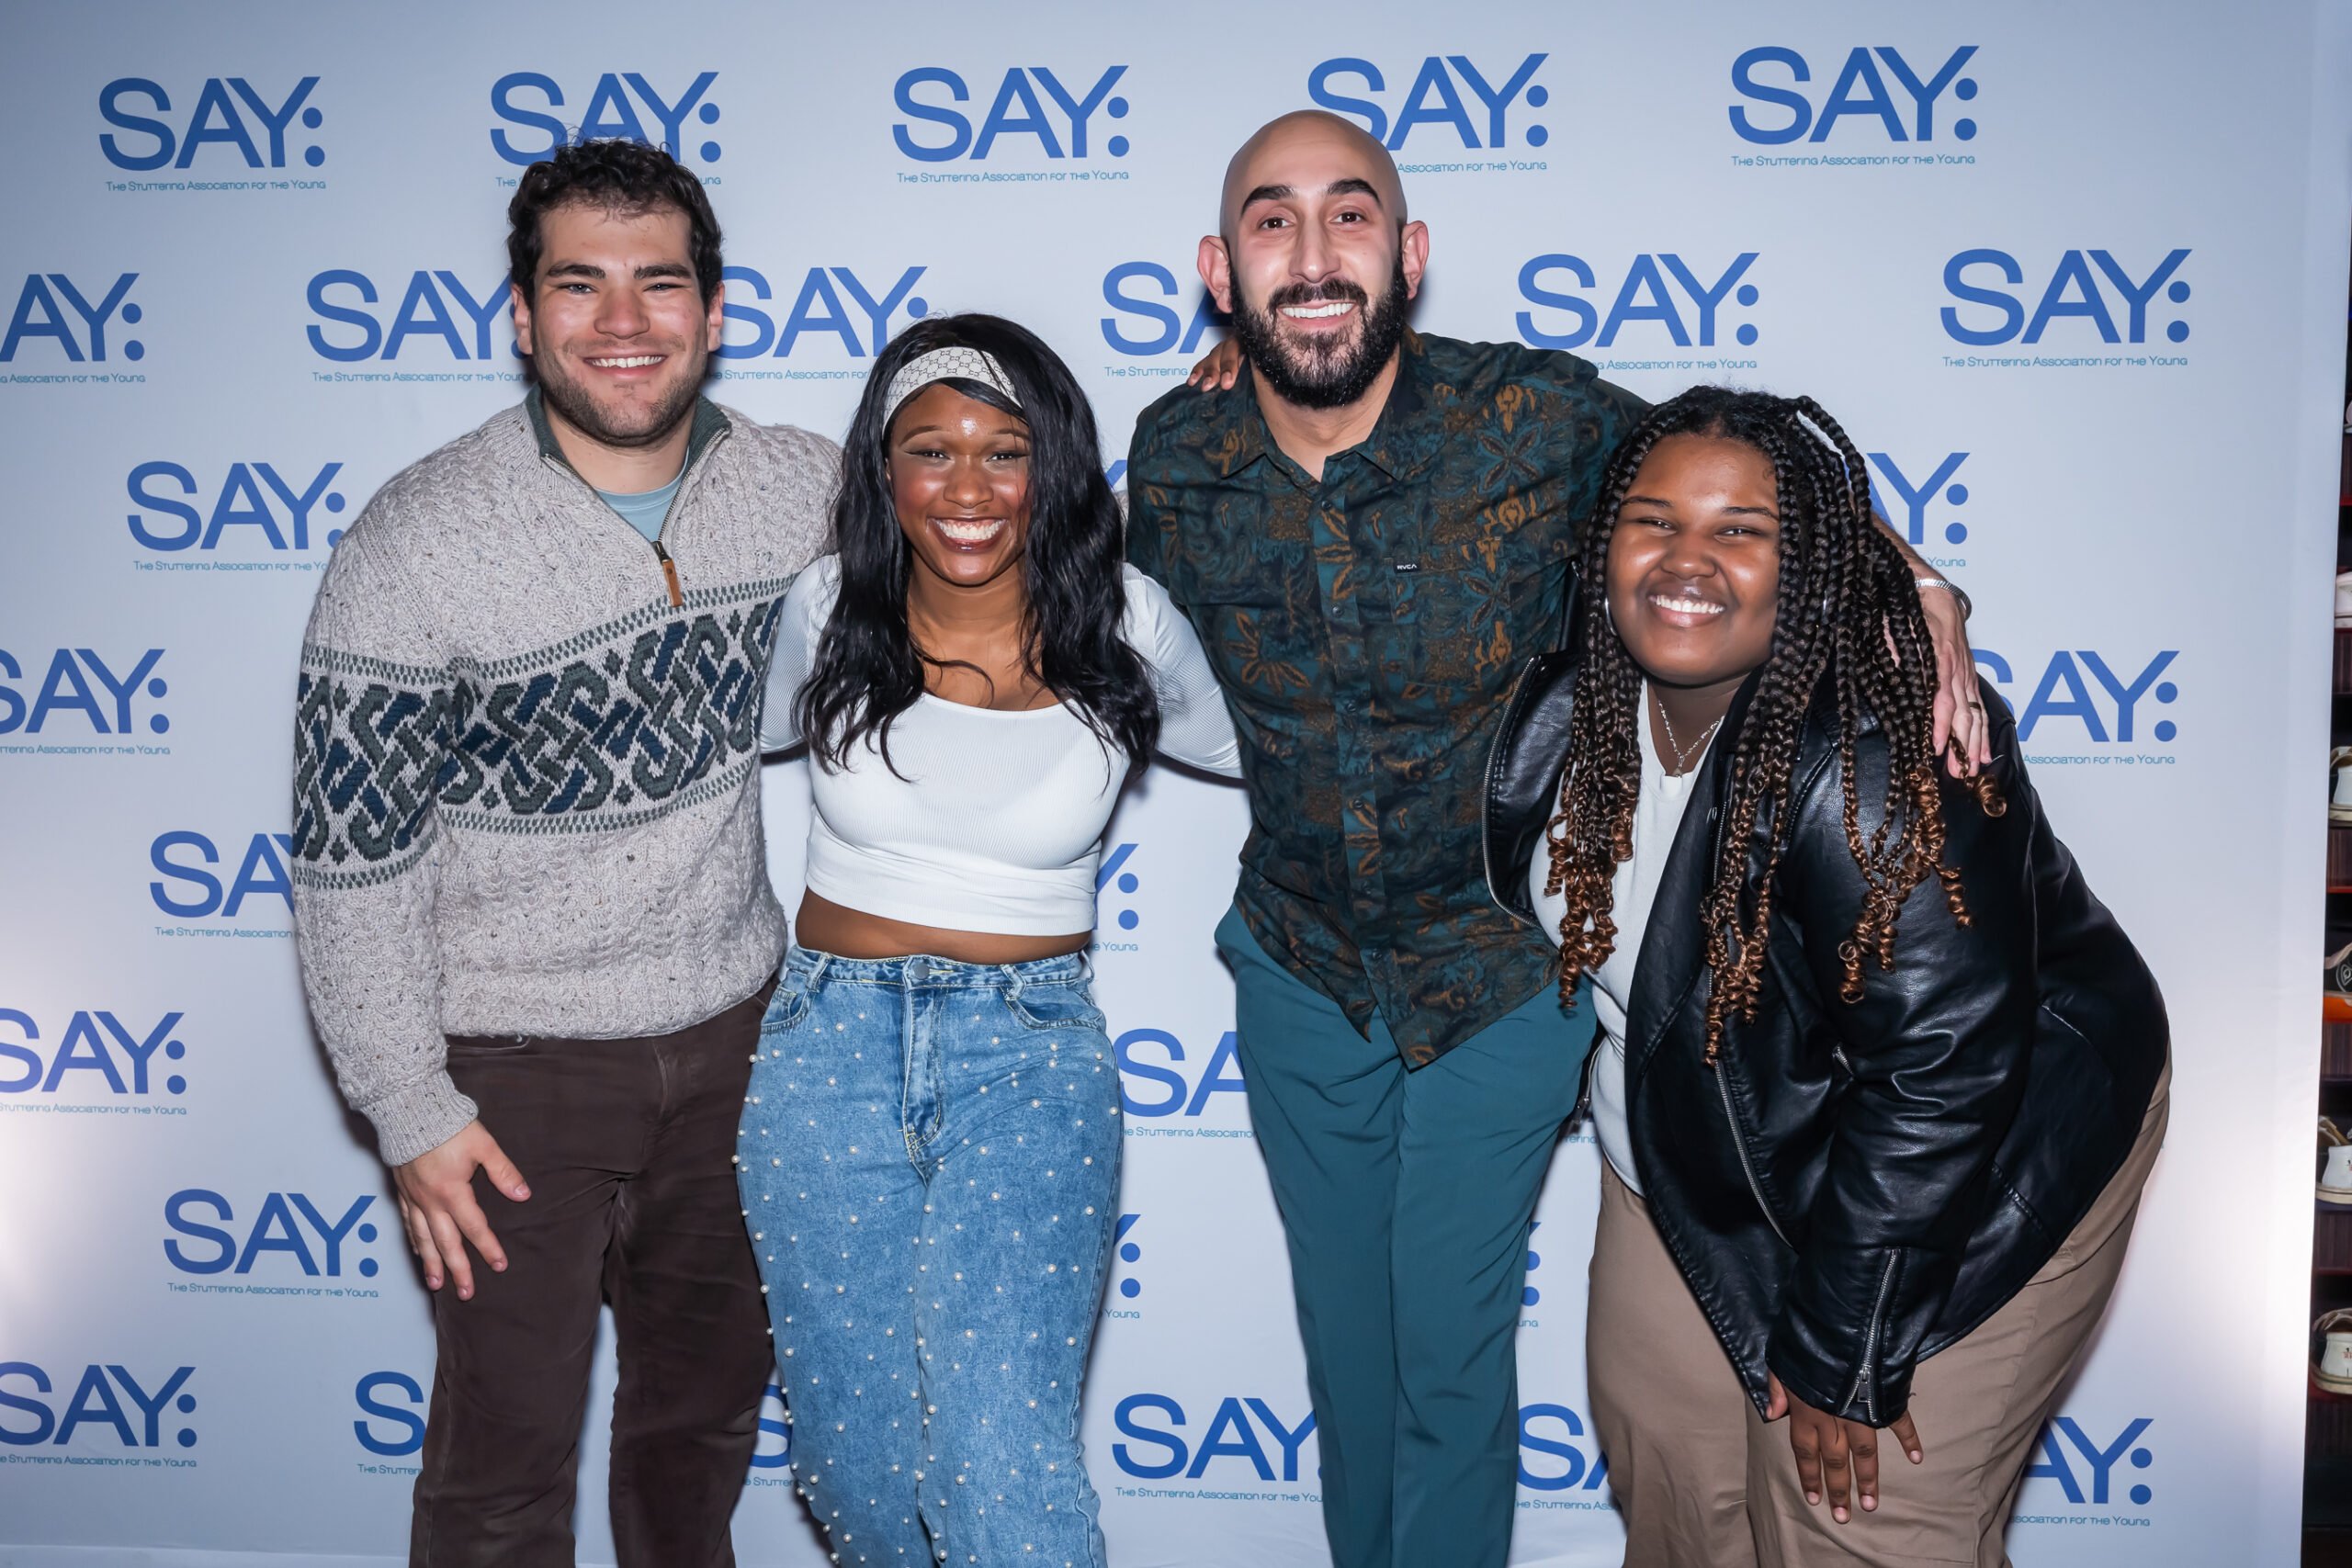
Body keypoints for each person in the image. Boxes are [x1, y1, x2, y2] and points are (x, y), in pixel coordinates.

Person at [1125, 109, 1989, 1568]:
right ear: (1223, 271)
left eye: (1351, 216)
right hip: (1299, 973)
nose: (1314, 250)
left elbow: (1747, 480)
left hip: (1506, 973)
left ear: (1408, 254)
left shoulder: (1535, 416)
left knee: (1448, 1360)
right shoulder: (1173, 453)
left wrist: (1920, 579)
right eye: (1273, 222)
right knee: (1349, 1361)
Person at [1485, 386, 2169, 1566]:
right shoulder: (1577, 690)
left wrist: (1840, 1354)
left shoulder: (1881, 750)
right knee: (1678, 1493)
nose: (1685, 559)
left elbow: (1941, 1074)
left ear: (1811, 567)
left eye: (1742, 532)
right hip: (1701, 1144)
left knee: (1851, 1523)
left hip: (1969, 1152)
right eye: (1652, 523)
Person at [288, 139, 836, 1565]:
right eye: (578, 283)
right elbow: (354, 856)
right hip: (511, 1078)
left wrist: (1238, 394)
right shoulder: (416, 538)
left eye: (660, 282)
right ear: (522, 314)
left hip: (736, 1043)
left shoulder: (804, 490)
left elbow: (1005, 522)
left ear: (714, 312)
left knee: (698, 1439)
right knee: (501, 1471)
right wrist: (408, 1105)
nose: (623, 320)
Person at [738, 313, 1239, 1568]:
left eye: (1003, 451)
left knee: (997, 1460)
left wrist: (1252, 429)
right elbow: (708, 763)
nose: (967, 488)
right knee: (854, 1468)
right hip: (824, 1052)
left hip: (1030, 1060)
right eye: (931, 449)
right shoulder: (825, 606)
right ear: (883, 470)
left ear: (1052, 467)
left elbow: (1265, 749)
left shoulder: (1127, 619)